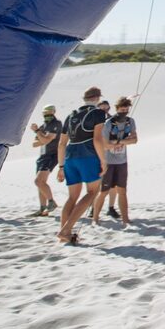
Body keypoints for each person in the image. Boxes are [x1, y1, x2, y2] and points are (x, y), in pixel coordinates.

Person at [55, 87, 109, 244]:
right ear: (97, 98)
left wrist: (60, 167)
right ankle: (66, 230)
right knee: (92, 192)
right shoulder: (98, 113)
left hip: (70, 157)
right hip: (88, 155)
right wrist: (103, 160)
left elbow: (61, 144)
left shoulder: (71, 115)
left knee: (72, 197)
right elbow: (97, 139)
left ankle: (64, 236)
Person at [93, 97, 137, 225]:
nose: (124, 112)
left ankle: (125, 219)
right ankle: (95, 218)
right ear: (117, 109)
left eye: (126, 110)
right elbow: (105, 144)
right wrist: (123, 142)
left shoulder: (130, 121)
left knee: (122, 191)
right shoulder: (108, 123)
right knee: (104, 191)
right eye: (122, 110)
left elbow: (134, 139)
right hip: (108, 162)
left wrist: (117, 142)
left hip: (122, 161)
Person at [29, 103, 62, 216]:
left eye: (49, 112)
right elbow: (34, 144)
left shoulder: (56, 124)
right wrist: (42, 138)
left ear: (53, 112)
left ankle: (51, 202)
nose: (47, 115)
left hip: (52, 155)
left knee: (38, 181)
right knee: (41, 183)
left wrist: (38, 132)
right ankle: (42, 208)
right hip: (42, 156)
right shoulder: (43, 126)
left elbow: (47, 140)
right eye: (45, 113)